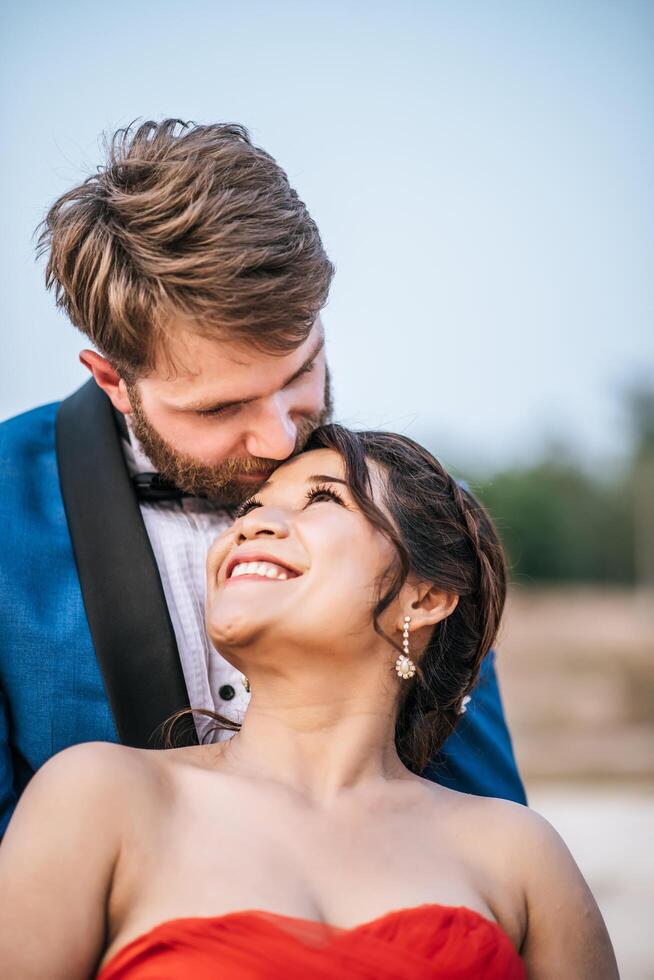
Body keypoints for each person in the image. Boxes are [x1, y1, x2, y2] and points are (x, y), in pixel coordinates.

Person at [0, 119, 524, 838]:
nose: (280, 436)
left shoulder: (407, 512)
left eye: (301, 371)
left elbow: (483, 821)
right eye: (219, 407)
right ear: (112, 380)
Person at [0, 426, 617, 978]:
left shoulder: (520, 854)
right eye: (248, 510)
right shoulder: (99, 798)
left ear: (425, 597)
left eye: (322, 498)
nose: (249, 525)